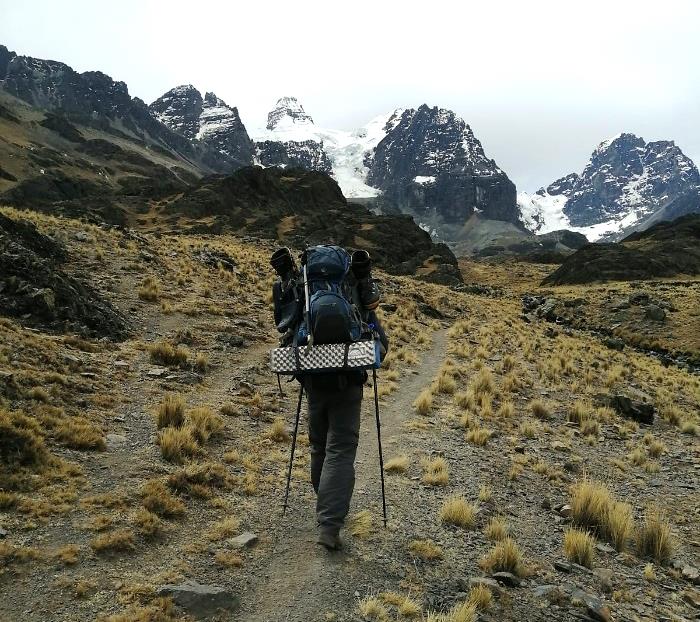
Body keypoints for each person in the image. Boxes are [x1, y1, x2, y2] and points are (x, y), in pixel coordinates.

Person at [306, 307, 388, 551]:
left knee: (319, 446)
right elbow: (381, 345)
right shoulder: (354, 286)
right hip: (348, 380)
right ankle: (329, 527)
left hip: (313, 379)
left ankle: (327, 505)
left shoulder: (307, 284)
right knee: (340, 450)